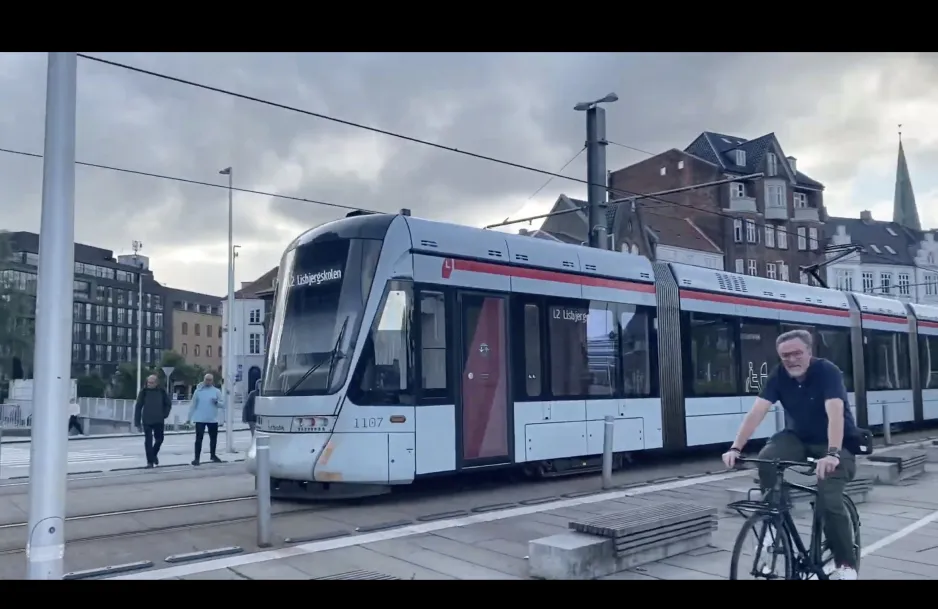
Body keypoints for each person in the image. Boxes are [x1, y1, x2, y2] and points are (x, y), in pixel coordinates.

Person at [722, 329, 860, 580]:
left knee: (828, 499)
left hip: (837, 444)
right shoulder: (779, 376)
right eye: (785, 355)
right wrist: (735, 447)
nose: (791, 359)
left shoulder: (826, 372)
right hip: (798, 439)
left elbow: (835, 413)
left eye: (797, 353)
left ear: (809, 352)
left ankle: (845, 564)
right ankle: (773, 523)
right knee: (766, 458)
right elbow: (757, 412)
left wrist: (832, 454)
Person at [134, 374, 172, 468]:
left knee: (159, 439)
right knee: (148, 440)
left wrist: (165, 414)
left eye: (151, 383)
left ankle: (154, 454)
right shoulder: (144, 392)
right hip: (147, 419)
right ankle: (149, 462)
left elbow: (168, 404)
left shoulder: (161, 392)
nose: (149, 384)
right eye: (148, 382)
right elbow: (138, 407)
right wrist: (137, 422)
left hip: (159, 419)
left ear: (156, 383)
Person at [188, 373, 224, 466]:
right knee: (199, 439)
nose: (208, 381)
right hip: (200, 419)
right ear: (204, 380)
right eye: (206, 379)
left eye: (210, 380)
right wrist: (189, 418)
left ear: (212, 381)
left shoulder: (216, 391)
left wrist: (216, 402)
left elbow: (223, 404)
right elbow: (193, 405)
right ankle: (197, 458)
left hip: (212, 419)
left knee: (213, 438)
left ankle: (213, 455)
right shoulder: (198, 391)